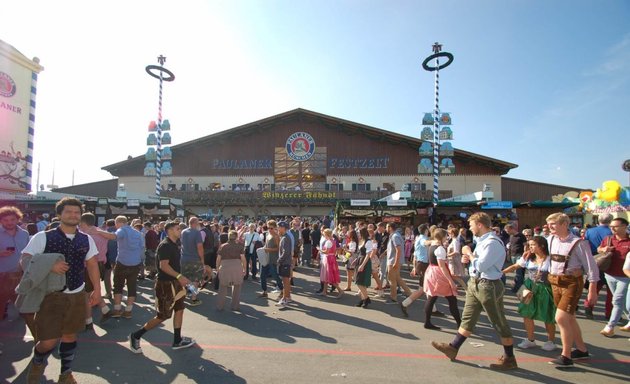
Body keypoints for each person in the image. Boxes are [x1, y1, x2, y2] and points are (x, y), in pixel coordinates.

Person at [23, 198, 101, 384]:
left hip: (76, 293)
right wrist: (49, 265)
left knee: (70, 335)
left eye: (76, 213)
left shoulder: (86, 238)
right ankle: (38, 362)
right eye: (68, 212)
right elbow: (25, 260)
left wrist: (97, 290)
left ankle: (65, 374)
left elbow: (92, 265)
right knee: (48, 341)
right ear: (59, 214)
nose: (73, 215)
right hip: (51, 295)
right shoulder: (43, 237)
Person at [431, 212, 517, 371]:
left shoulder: (492, 242)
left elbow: (482, 265)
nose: (469, 228)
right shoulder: (483, 241)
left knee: (498, 321)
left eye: (471, 225)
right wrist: (468, 259)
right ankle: (453, 347)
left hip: (488, 285)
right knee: (468, 318)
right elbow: (477, 263)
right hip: (476, 283)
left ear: (479, 225)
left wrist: (469, 254)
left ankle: (509, 358)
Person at [128, 221, 195, 354]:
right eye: (177, 229)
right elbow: (164, 266)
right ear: (170, 230)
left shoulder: (174, 244)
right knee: (162, 316)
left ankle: (177, 340)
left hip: (175, 283)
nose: (180, 231)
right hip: (165, 285)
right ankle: (136, 335)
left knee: (180, 309)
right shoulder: (165, 245)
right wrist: (179, 276)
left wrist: (181, 278)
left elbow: (174, 265)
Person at [545, 212, 599, 368]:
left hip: (571, 284)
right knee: (570, 318)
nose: (550, 227)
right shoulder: (551, 239)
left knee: (561, 318)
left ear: (564, 224)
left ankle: (566, 356)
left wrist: (592, 290)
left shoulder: (579, 243)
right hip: (555, 282)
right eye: (549, 224)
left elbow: (591, 267)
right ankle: (581, 350)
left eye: (553, 224)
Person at [502, 235, 557, 351]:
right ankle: (530, 339)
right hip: (528, 287)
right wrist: (502, 272)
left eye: (533, 245)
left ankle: (550, 341)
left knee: (548, 315)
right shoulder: (527, 257)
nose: (530, 247)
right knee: (526, 313)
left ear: (542, 246)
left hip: (545, 289)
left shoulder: (550, 259)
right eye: (530, 245)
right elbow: (516, 266)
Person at [78, 213, 115, 329]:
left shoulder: (83, 235)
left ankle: (88, 321)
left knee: (86, 294)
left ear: (83, 223)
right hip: (100, 264)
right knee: (94, 290)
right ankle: (105, 310)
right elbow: (113, 237)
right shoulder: (101, 232)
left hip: (88, 265)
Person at [422, 228, 461, 330]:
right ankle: (460, 324)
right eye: (445, 236)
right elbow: (442, 266)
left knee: (432, 297)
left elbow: (427, 242)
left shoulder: (432, 245)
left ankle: (427, 322)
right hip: (439, 273)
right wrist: (451, 281)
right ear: (442, 237)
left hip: (431, 271)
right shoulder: (440, 249)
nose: (447, 237)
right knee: (452, 299)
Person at [597, 217, 630, 337]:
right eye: (611, 226)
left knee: (617, 301)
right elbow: (599, 249)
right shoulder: (608, 239)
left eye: (615, 226)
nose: (612, 228)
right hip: (609, 274)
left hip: (625, 277)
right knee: (622, 303)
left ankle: (609, 327)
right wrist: (603, 249)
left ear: (625, 226)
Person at [0, 207, 30, 326]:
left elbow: (29, 252)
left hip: (20, 274)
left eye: (12, 219)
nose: (9, 222)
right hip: (2, 276)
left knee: (23, 304)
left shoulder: (24, 233)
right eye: (5, 220)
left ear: (18, 219)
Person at [112, 216, 144, 318]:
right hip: (135, 263)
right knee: (132, 286)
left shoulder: (121, 230)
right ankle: (128, 311)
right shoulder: (138, 234)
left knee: (118, 286)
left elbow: (114, 237)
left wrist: (98, 232)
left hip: (122, 262)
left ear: (118, 223)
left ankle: (117, 309)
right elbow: (142, 248)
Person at [583, 213, 613, 319]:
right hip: (610, 263)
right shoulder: (612, 232)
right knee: (611, 291)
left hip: (594, 261)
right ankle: (609, 313)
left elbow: (585, 245)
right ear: (611, 221)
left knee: (594, 286)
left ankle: (588, 306)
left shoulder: (589, 231)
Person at [399, 224, 430, 317]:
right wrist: (436, 241)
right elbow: (426, 243)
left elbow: (415, 254)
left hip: (421, 264)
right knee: (422, 289)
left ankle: (433, 308)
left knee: (426, 288)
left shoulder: (418, 238)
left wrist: (414, 267)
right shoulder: (423, 238)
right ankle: (405, 303)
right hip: (423, 264)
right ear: (426, 230)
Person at [216, 230, 247, 311]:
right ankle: (235, 306)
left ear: (228, 237)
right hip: (237, 267)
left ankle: (220, 306)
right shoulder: (240, 246)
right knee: (237, 286)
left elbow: (218, 259)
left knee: (223, 287)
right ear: (236, 237)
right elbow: (243, 259)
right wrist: (245, 269)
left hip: (225, 267)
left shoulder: (223, 246)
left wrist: (217, 268)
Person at [180, 217, 204, 306]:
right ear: (195, 223)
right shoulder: (197, 233)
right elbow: (200, 247)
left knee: (185, 278)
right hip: (195, 259)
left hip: (184, 258)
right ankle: (194, 298)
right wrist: (202, 259)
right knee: (195, 279)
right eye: (198, 223)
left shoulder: (183, 232)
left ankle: (183, 295)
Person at [385, 223, 412, 303]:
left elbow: (398, 249)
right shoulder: (395, 235)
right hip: (394, 260)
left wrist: (396, 262)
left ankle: (393, 298)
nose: (386, 228)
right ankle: (409, 293)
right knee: (397, 278)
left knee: (392, 279)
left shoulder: (395, 236)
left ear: (390, 228)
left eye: (387, 227)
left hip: (393, 261)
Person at [258, 220, 283, 299]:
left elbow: (278, 248)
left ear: (275, 228)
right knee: (262, 275)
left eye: (271, 228)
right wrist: (263, 249)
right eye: (268, 228)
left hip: (273, 259)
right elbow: (266, 245)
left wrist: (268, 249)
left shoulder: (276, 236)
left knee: (275, 275)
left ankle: (282, 291)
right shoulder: (268, 235)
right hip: (266, 258)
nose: (269, 229)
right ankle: (265, 291)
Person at [318, 228, 344, 299]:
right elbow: (334, 251)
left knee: (329, 276)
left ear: (327, 234)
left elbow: (326, 252)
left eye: (324, 234)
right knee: (327, 276)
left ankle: (340, 290)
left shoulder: (328, 241)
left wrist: (320, 250)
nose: (323, 234)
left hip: (328, 258)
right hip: (331, 258)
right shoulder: (333, 240)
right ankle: (324, 291)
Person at [276, 221, 294, 306]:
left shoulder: (286, 237)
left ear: (283, 228)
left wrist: (279, 260)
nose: (277, 228)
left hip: (285, 262)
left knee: (285, 281)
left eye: (279, 227)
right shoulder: (284, 237)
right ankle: (288, 297)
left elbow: (286, 252)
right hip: (285, 262)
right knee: (286, 281)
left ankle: (285, 299)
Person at [505, 223, 527, 293]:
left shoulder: (521, 236)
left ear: (512, 229)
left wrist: (524, 254)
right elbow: (511, 246)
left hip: (519, 255)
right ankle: (518, 286)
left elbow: (525, 245)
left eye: (508, 231)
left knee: (519, 272)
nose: (507, 232)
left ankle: (518, 288)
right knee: (516, 272)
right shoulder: (511, 236)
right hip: (513, 255)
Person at [355, 227, 373, 308]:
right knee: (359, 281)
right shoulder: (361, 240)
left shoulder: (368, 241)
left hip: (364, 262)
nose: (358, 234)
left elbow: (368, 255)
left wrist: (362, 265)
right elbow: (360, 253)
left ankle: (366, 299)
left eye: (359, 232)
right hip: (360, 260)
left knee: (360, 281)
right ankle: (364, 299)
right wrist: (356, 260)